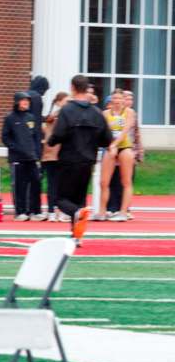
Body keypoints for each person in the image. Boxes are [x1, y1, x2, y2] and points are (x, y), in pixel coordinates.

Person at [47, 74, 113, 246]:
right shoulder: (97, 113)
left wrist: (51, 140)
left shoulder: (67, 110)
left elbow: (59, 134)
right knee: (80, 200)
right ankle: (77, 236)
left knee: (61, 199)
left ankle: (76, 217)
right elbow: (107, 139)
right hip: (88, 162)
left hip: (69, 160)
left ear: (73, 88)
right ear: (86, 89)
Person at [2, 92, 45, 222]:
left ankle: (35, 211)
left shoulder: (31, 117)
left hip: (31, 157)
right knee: (19, 185)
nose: (26, 102)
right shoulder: (10, 118)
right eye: (24, 100)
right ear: (17, 102)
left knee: (36, 183)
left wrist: (36, 153)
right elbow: (5, 137)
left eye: (28, 100)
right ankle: (20, 212)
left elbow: (35, 136)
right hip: (17, 158)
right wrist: (15, 148)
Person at [95, 89, 137, 222]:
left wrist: (115, 145)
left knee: (126, 181)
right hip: (110, 147)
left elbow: (125, 131)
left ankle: (123, 212)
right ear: (111, 100)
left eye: (119, 98)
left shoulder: (129, 112)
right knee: (103, 182)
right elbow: (104, 132)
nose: (117, 101)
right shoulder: (106, 113)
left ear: (123, 100)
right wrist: (110, 145)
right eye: (114, 98)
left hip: (124, 147)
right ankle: (102, 212)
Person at [107, 90, 143, 219]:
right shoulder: (110, 113)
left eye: (130, 99)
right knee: (113, 180)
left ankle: (125, 209)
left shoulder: (131, 114)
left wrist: (138, 152)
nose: (128, 100)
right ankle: (112, 208)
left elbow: (136, 134)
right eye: (126, 98)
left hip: (127, 149)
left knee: (126, 180)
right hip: (114, 149)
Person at [41, 92, 69, 222]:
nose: (68, 104)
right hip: (52, 154)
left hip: (61, 154)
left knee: (61, 185)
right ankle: (52, 210)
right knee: (53, 184)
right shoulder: (55, 116)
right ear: (58, 102)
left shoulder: (64, 115)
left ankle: (59, 211)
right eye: (65, 101)